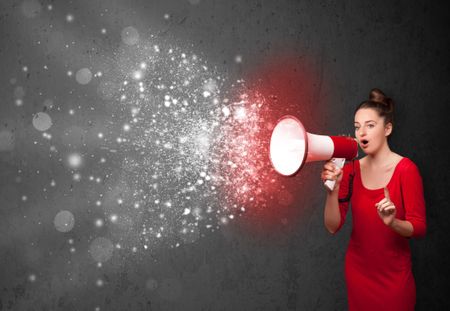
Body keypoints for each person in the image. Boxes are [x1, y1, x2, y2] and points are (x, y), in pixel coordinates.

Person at [321, 88, 426, 311]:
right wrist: (333, 190)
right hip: (358, 273)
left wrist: (393, 222)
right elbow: (332, 226)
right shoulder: (350, 170)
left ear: (387, 128)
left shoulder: (406, 170)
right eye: (357, 127)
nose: (361, 133)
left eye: (370, 125)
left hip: (393, 280)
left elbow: (419, 227)